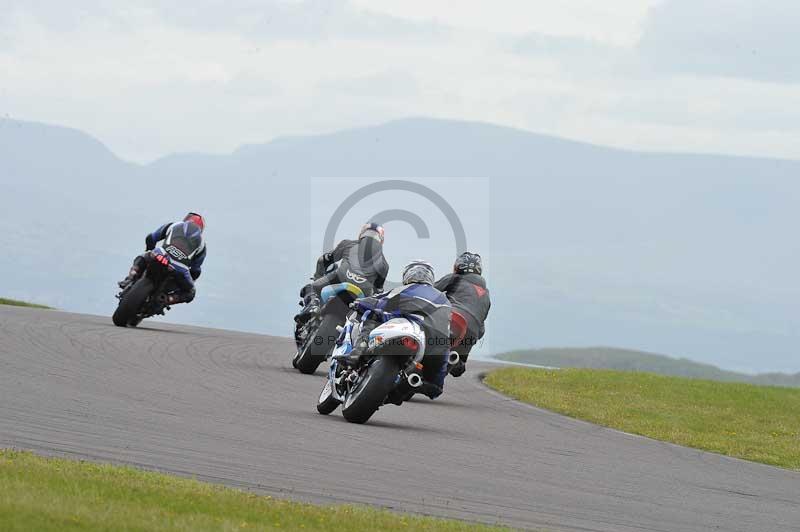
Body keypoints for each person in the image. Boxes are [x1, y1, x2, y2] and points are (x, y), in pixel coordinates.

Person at [339, 260, 452, 401]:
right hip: (435, 346)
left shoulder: (407, 289)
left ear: (407, 276)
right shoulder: (444, 299)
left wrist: (359, 303)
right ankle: (402, 390)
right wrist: (436, 385)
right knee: (434, 386)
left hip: (409, 331)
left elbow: (378, 301)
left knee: (371, 315)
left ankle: (357, 352)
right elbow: (447, 332)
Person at [295, 222, 389, 323]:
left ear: (362, 233)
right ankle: (361, 332)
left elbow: (323, 261)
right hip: (364, 292)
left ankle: (313, 306)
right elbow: (378, 291)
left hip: (340, 277)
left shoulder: (347, 244)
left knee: (310, 288)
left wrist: (317, 276)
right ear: (381, 240)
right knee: (370, 314)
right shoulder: (384, 264)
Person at [118, 212, 207, 306]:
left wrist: (150, 250)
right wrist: (187, 280)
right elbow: (196, 269)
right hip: (180, 268)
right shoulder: (202, 245)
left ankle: (130, 277)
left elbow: (151, 238)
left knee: (143, 257)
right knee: (190, 293)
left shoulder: (173, 225)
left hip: (161, 254)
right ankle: (168, 299)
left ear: (186, 219)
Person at [434, 252, 491, 377]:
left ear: (458, 266)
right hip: (471, 335)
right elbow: (481, 329)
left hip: (451, 320)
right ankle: (456, 361)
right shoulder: (486, 294)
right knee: (458, 367)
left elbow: (429, 291)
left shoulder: (454, 278)